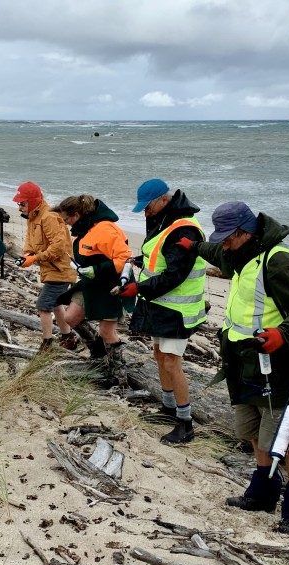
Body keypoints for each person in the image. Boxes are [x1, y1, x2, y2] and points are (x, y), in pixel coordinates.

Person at [178, 201, 289, 534]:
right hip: (242, 363)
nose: (223, 243)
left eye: (228, 237)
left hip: (280, 367)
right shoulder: (238, 252)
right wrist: (193, 245)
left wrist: (282, 335)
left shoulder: (279, 260)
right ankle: (262, 494)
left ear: (247, 232)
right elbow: (215, 251)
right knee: (253, 432)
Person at [115, 178, 207, 444]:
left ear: (164, 200)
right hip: (160, 304)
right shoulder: (165, 222)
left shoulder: (184, 230)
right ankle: (168, 409)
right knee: (158, 354)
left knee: (171, 362)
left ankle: (185, 423)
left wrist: (139, 289)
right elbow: (159, 256)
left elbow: (175, 274)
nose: (145, 211)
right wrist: (138, 260)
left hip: (178, 310)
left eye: (148, 206)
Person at [52, 194, 134, 386]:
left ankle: (118, 376)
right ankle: (98, 354)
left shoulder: (106, 229)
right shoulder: (84, 229)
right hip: (91, 282)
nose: (66, 224)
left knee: (107, 331)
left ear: (78, 214)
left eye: (67, 220)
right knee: (70, 318)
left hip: (112, 284)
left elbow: (125, 259)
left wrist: (96, 269)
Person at [13, 181, 77, 351]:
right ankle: (67, 337)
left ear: (33, 201)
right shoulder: (33, 218)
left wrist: (36, 258)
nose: (20, 207)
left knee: (43, 306)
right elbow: (29, 242)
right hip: (51, 270)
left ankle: (47, 343)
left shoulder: (48, 217)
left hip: (60, 270)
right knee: (55, 304)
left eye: (22, 203)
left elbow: (59, 246)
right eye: (19, 204)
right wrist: (27, 256)